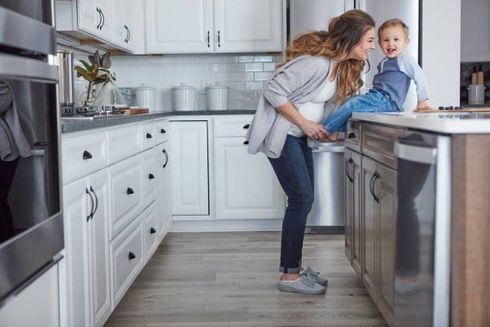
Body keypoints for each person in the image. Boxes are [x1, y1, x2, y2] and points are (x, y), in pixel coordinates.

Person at [245, 9, 376, 295]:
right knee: (301, 199)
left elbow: (319, 105)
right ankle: (289, 275)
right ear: (352, 38)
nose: (372, 45)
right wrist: (305, 123)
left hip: (299, 138)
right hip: (284, 137)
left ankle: (296, 267)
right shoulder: (315, 63)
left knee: (305, 200)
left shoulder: (337, 67)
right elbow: (273, 91)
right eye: (368, 39)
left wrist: (326, 128)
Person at [322, 18, 430, 137]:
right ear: (379, 43)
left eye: (396, 39)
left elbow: (420, 77)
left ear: (406, 41)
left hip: (386, 100)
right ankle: (336, 132)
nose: (390, 44)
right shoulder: (385, 62)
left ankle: (325, 131)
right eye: (386, 40)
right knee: (347, 102)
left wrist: (422, 101)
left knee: (352, 104)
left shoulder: (404, 60)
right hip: (377, 97)